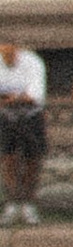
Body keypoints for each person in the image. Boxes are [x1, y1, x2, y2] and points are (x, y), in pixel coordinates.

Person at [0, 35, 44, 214]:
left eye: (9, 52)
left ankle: (28, 200)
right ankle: (12, 198)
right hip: (5, 116)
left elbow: (34, 96)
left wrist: (10, 98)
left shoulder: (32, 62)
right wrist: (16, 98)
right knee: (7, 157)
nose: (6, 57)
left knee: (32, 158)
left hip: (31, 116)